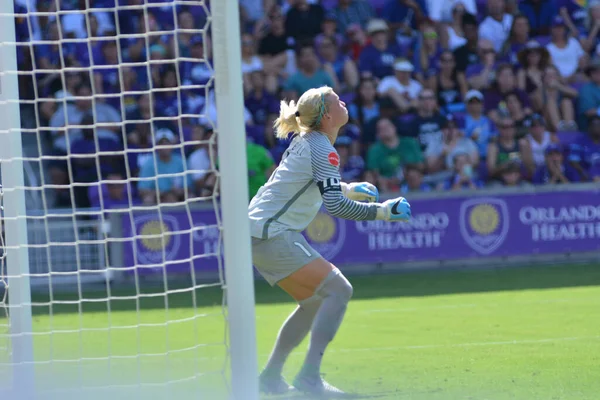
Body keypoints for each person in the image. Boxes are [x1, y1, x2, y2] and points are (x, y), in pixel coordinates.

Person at [248, 86, 411, 396]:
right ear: (326, 115)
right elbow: (334, 206)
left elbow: (309, 182)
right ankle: (309, 376)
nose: (344, 101)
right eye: (337, 100)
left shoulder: (307, 141)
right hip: (272, 232)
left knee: (313, 303)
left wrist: (347, 187)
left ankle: (270, 377)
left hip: (259, 232)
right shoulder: (322, 147)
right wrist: (382, 212)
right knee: (339, 290)